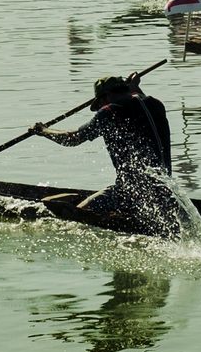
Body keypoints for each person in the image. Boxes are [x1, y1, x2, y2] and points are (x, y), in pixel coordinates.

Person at [30, 75, 183, 234]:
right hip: (165, 190)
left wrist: (43, 131)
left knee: (74, 217)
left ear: (108, 96)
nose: (101, 107)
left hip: (130, 192)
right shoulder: (156, 105)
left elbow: (73, 139)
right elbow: (139, 99)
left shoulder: (110, 111)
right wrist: (135, 86)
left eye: (101, 103)